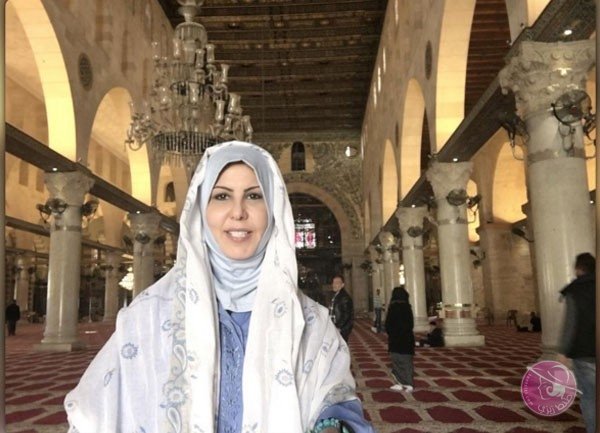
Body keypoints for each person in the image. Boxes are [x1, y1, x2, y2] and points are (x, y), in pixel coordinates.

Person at [65, 142, 375, 433]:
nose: (238, 212)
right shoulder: (148, 315)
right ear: (201, 210)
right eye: (222, 196)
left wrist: (331, 424)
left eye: (254, 196)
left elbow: (336, 397)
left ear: (273, 209)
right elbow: (93, 412)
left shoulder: (311, 323)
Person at [558, 252, 596, 433]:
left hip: (584, 353)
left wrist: (563, 351)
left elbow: (571, 323)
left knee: (590, 396)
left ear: (578, 269)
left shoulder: (575, 290)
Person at [385, 286, 415, 393]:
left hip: (395, 339)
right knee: (406, 361)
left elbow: (388, 324)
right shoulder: (408, 307)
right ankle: (405, 383)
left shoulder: (393, 307)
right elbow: (411, 324)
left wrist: (392, 333)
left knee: (397, 361)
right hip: (406, 339)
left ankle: (404, 383)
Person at [329, 275, 354, 342]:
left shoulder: (344, 297)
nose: (334, 285)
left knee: (340, 346)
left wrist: (338, 327)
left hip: (341, 329)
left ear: (342, 285)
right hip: (335, 326)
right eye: (333, 282)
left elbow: (346, 315)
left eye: (337, 283)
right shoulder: (336, 295)